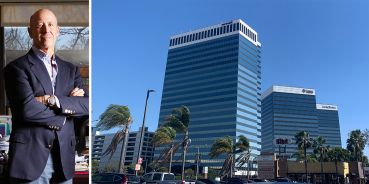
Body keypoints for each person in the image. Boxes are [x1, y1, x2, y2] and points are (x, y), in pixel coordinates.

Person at [3, 9, 89, 183]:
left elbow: (86, 106)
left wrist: (52, 100)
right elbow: (27, 110)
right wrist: (67, 110)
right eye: (40, 24)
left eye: (50, 24)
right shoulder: (16, 68)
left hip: (64, 159)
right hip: (29, 159)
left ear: (58, 30)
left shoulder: (71, 70)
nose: (46, 29)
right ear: (30, 31)